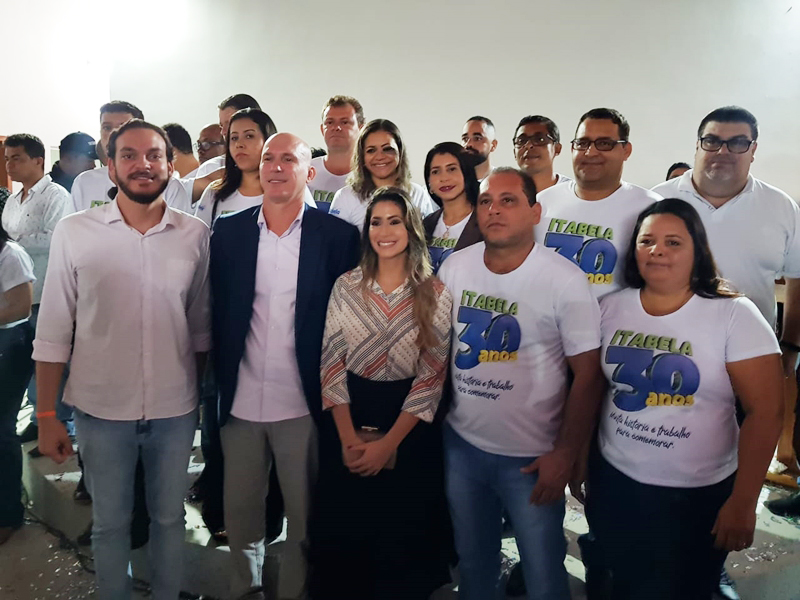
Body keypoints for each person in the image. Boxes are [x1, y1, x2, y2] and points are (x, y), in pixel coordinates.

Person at [35, 119, 211, 600]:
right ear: (109, 167)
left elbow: (197, 328)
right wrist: (47, 414)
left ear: (170, 166)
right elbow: (52, 332)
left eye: (154, 155)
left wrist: (192, 396)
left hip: (174, 411)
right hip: (99, 409)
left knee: (169, 519)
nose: (143, 165)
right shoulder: (75, 233)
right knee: (110, 524)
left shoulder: (193, 235)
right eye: (129, 155)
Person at [580, 198, 783, 599]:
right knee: (622, 580)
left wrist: (744, 501)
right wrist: (579, 455)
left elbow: (766, 413)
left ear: (698, 251)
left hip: (695, 495)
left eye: (673, 242)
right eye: (647, 240)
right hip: (616, 482)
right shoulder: (610, 308)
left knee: (684, 587)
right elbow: (593, 389)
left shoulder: (734, 315)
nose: (657, 250)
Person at [438, 167, 604, 600]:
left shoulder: (564, 279)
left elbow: (588, 375)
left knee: (543, 570)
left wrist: (567, 452)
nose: (494, 210)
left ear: (535, 212)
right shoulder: (456, 268)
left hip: (531, 458)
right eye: (486, 201)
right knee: (474, 565)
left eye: (508, 200)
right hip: (462, 447)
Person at [210, 133, 359, 600]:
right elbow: (215, 311)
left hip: (304, 405)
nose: (275, 166)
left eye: (288, 159)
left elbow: (348, 323)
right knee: (241, 516)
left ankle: (297, 592)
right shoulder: (230, 232)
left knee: (304, 519)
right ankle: (244, 589)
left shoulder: (337, 238)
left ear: (308, 172)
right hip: (239, 403)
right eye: (268, 157)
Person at [652, 106, 800, 525]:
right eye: (713, 140)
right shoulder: (659, 200)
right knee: (657, 452)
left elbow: (797, 278)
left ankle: (710, 557)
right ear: (697, 144)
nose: (723, 151)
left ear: (753, 150)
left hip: (744, 362)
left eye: (738, 143)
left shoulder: (781, 207)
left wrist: (789, 345)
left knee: (730, 462)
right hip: (664, 354)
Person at [311, 186, 453, 600]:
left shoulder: (435, 292)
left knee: (401, 541)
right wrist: (350, 440)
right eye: (376, 221)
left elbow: (431, 378)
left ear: (411, 228)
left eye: (395, 221)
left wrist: (387, 445)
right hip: (348, 415)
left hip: (408, 427)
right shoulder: (346, 285)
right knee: (346, 539)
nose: (385, 230)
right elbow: (331, 364)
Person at [535, 108, 662, 299]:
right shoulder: (542, 202)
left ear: (626, 150)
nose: (591, 152)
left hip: (613, 326)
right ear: (572, 148)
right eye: (582, 143)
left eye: (604, 144)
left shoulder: (652, 208)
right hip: (542, 324)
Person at [2, 133, 71, 443]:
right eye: (7, 158)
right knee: (24, 362)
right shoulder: (13, 200)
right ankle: (36, 418)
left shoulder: (56, 196)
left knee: (51, 362)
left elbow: (57, 237)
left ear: (38, 160)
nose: (9, 163)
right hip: (17, 295)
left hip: (46, 292)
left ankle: (58, 421)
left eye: (16, 157)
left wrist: (15, 246)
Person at [69, 101, 192, 214]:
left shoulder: (169, 186)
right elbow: (72, 232)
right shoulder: (84, 183)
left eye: (122, 127)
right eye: (107, 127)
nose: (113, 134)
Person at [329, 119, 436, 231]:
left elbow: (426, 243)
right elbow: (334, 244)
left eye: (388, 149)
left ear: (400, 152)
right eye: (371, 150)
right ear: (361, 156)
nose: (380, 156)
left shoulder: (417, 193)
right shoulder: (345, 197)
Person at [0, 221, 35, 545]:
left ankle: (8, 514)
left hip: (8, 344)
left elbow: (20, 306)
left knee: (1, 430)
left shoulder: (10, 254)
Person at [194, 108, 277, 227]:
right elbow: (199, 241)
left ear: (268, 141)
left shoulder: (287, 190)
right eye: (234, 138)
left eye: (249, 136)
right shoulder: (214, 192)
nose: (239, 144)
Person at [422, 142, 482, 273]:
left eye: (452, 169)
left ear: (466, 174)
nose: (444, 178)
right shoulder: (425, 225)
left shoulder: (485, 222)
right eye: (436, 172)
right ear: (429, 183)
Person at [191, 94, 262, 203]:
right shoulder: (211, 168)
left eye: (229, 124)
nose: (223, 132)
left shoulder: (278, 169)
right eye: (221, 126)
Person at [308, 95, 364, 213]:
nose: (336, 127)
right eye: (329, 122)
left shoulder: (369, 175)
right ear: (322, 129)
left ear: (361, 129)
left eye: (344, 122)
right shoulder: (304, 171)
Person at [513, 115, 571, 192]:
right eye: (521, 141)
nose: (529, 145)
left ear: (557, 148)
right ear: (514, 152)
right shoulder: (501, 193)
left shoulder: (574, 193)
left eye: (540, 139)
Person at [461, 116, 498, 181]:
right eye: (465, 139)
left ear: (493, 145)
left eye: (477, 138)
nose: (468, 144)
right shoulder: (453, 182)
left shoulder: (503, 181)